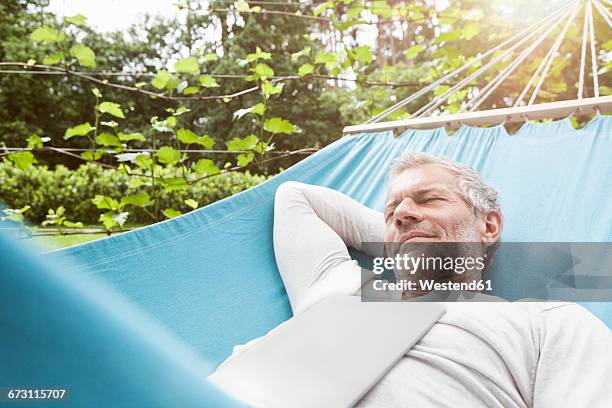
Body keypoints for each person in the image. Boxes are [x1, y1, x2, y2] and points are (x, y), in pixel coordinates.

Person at [212, 152, 612, 407]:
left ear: (490, 224)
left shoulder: (549, 323)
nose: (401, 213)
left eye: (430, 198)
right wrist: (403, 241)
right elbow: (297, 197)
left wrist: (448, 245)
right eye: (390, 212)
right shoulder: (343, 287)